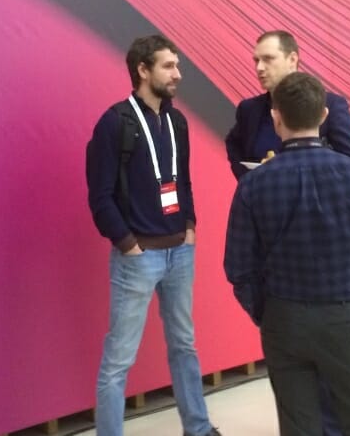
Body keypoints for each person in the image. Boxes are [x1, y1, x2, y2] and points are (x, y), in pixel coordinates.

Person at [224, 72, 350, 436]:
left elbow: (238, 267)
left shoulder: (253, 184)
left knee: (298, 426)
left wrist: (266, 313)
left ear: (276, 118)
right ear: (323, 116)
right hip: (347, 315)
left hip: (284, 318)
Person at [86, 35, 221, 436]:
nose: (178, 74)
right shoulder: (114, 122)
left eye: (177, 65)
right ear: (143, 70)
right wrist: (128, 244)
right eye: (169, 66)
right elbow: (99, 196)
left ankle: (198, 429)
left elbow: (184, 181)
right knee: (118, 359)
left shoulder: (177, 121)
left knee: (184, 344)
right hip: (138, 257)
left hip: (180, 251)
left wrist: (190, 226)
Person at [225, 30, 350, 178]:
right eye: (256, 60)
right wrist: (250, 180)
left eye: (268, 59)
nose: (259, 67)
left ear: (292, 59)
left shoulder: (331, 105)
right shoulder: (249, 109)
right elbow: (234, 146)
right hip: (266, 191)